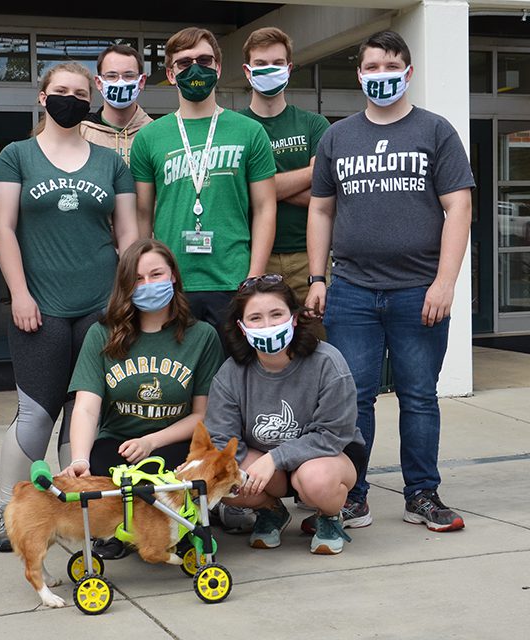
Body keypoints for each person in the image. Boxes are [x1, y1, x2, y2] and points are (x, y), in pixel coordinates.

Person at [306, 30, 474, 533]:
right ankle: (351, 495)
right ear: (359, 74)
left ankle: (421, 492)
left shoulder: (435, 131)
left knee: (419, 396)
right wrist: (319, 277)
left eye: (391, 66)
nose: (381, 75)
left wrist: (445, 282)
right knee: (353, 397)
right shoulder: (338, 136)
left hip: (418, 290)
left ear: (408, 71)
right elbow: (320, 209)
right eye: (372, 67)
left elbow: (459, 206)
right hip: (352, 290)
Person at [0, 62, 139, 552]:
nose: (69, 98)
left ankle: (81, 512)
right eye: (60, 91)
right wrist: (20, 293)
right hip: (40, 307)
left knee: (84, 412)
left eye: (79, 92)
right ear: (42, 97)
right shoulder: (16, 156)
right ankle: (12, 510)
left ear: (90, 98)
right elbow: (3, 228)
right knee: (35, 414)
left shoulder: (112, 163)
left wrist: (128, 298)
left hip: (99, 307)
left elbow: (129, 236)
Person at [59, 238, 224, 557]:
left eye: (156, 274)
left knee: (185, 474)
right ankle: (119, 532)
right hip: (118, 442)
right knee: (101, 467)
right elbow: (87, 406)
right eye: (137, 279)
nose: (147, 285)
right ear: (125, 286)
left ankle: (181, 528)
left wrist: (151, 441)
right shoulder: (102, 334)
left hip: (175, 442)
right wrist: (79, 460)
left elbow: (202, 414)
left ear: (174, 276)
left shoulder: (202, 336)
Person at [131, 27, 277, 347]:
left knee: (234, 383)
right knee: (178, 387)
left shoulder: (250, 132)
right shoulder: (149, 138)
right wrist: (145, 279)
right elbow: (142, 214)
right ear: (170, 74)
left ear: (218, 68)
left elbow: (266, 206)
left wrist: (254, 276)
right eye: (184, 63)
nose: (195, 69)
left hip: (233, 280)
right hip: (172, 284)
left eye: (204, 60)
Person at [205, 275, 365, 555]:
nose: (267, 325)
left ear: (293, 318)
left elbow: (333, 434)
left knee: (316, 479)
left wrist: (275, 458)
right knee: (226, 478)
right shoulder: (230, 374)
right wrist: (255, 467)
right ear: (242, 328)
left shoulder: (328, 362)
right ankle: (271, 511)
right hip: (266, 462)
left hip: (328, 456)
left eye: (276, 314)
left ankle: (329, 516)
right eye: (255, 318)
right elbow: (222, 439)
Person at [239, 27, 330, 329]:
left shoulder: (314, 124)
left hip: (310, 259)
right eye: (261, 64)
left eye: (277, 63)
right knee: (262, 348)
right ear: (247, 71)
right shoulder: (235, 127)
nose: (269, 70)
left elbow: (324, 188)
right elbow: (236, 192)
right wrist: (303, 179)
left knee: (318, 347)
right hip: (254, 259)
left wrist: (261, 186)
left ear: (289, 68)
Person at [80, 44, 153, 165]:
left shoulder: (155, 133)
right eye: (111, 76)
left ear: (141, 81)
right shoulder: (81, 133)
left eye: (129, 75)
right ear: (98, 82)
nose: (120, 82)